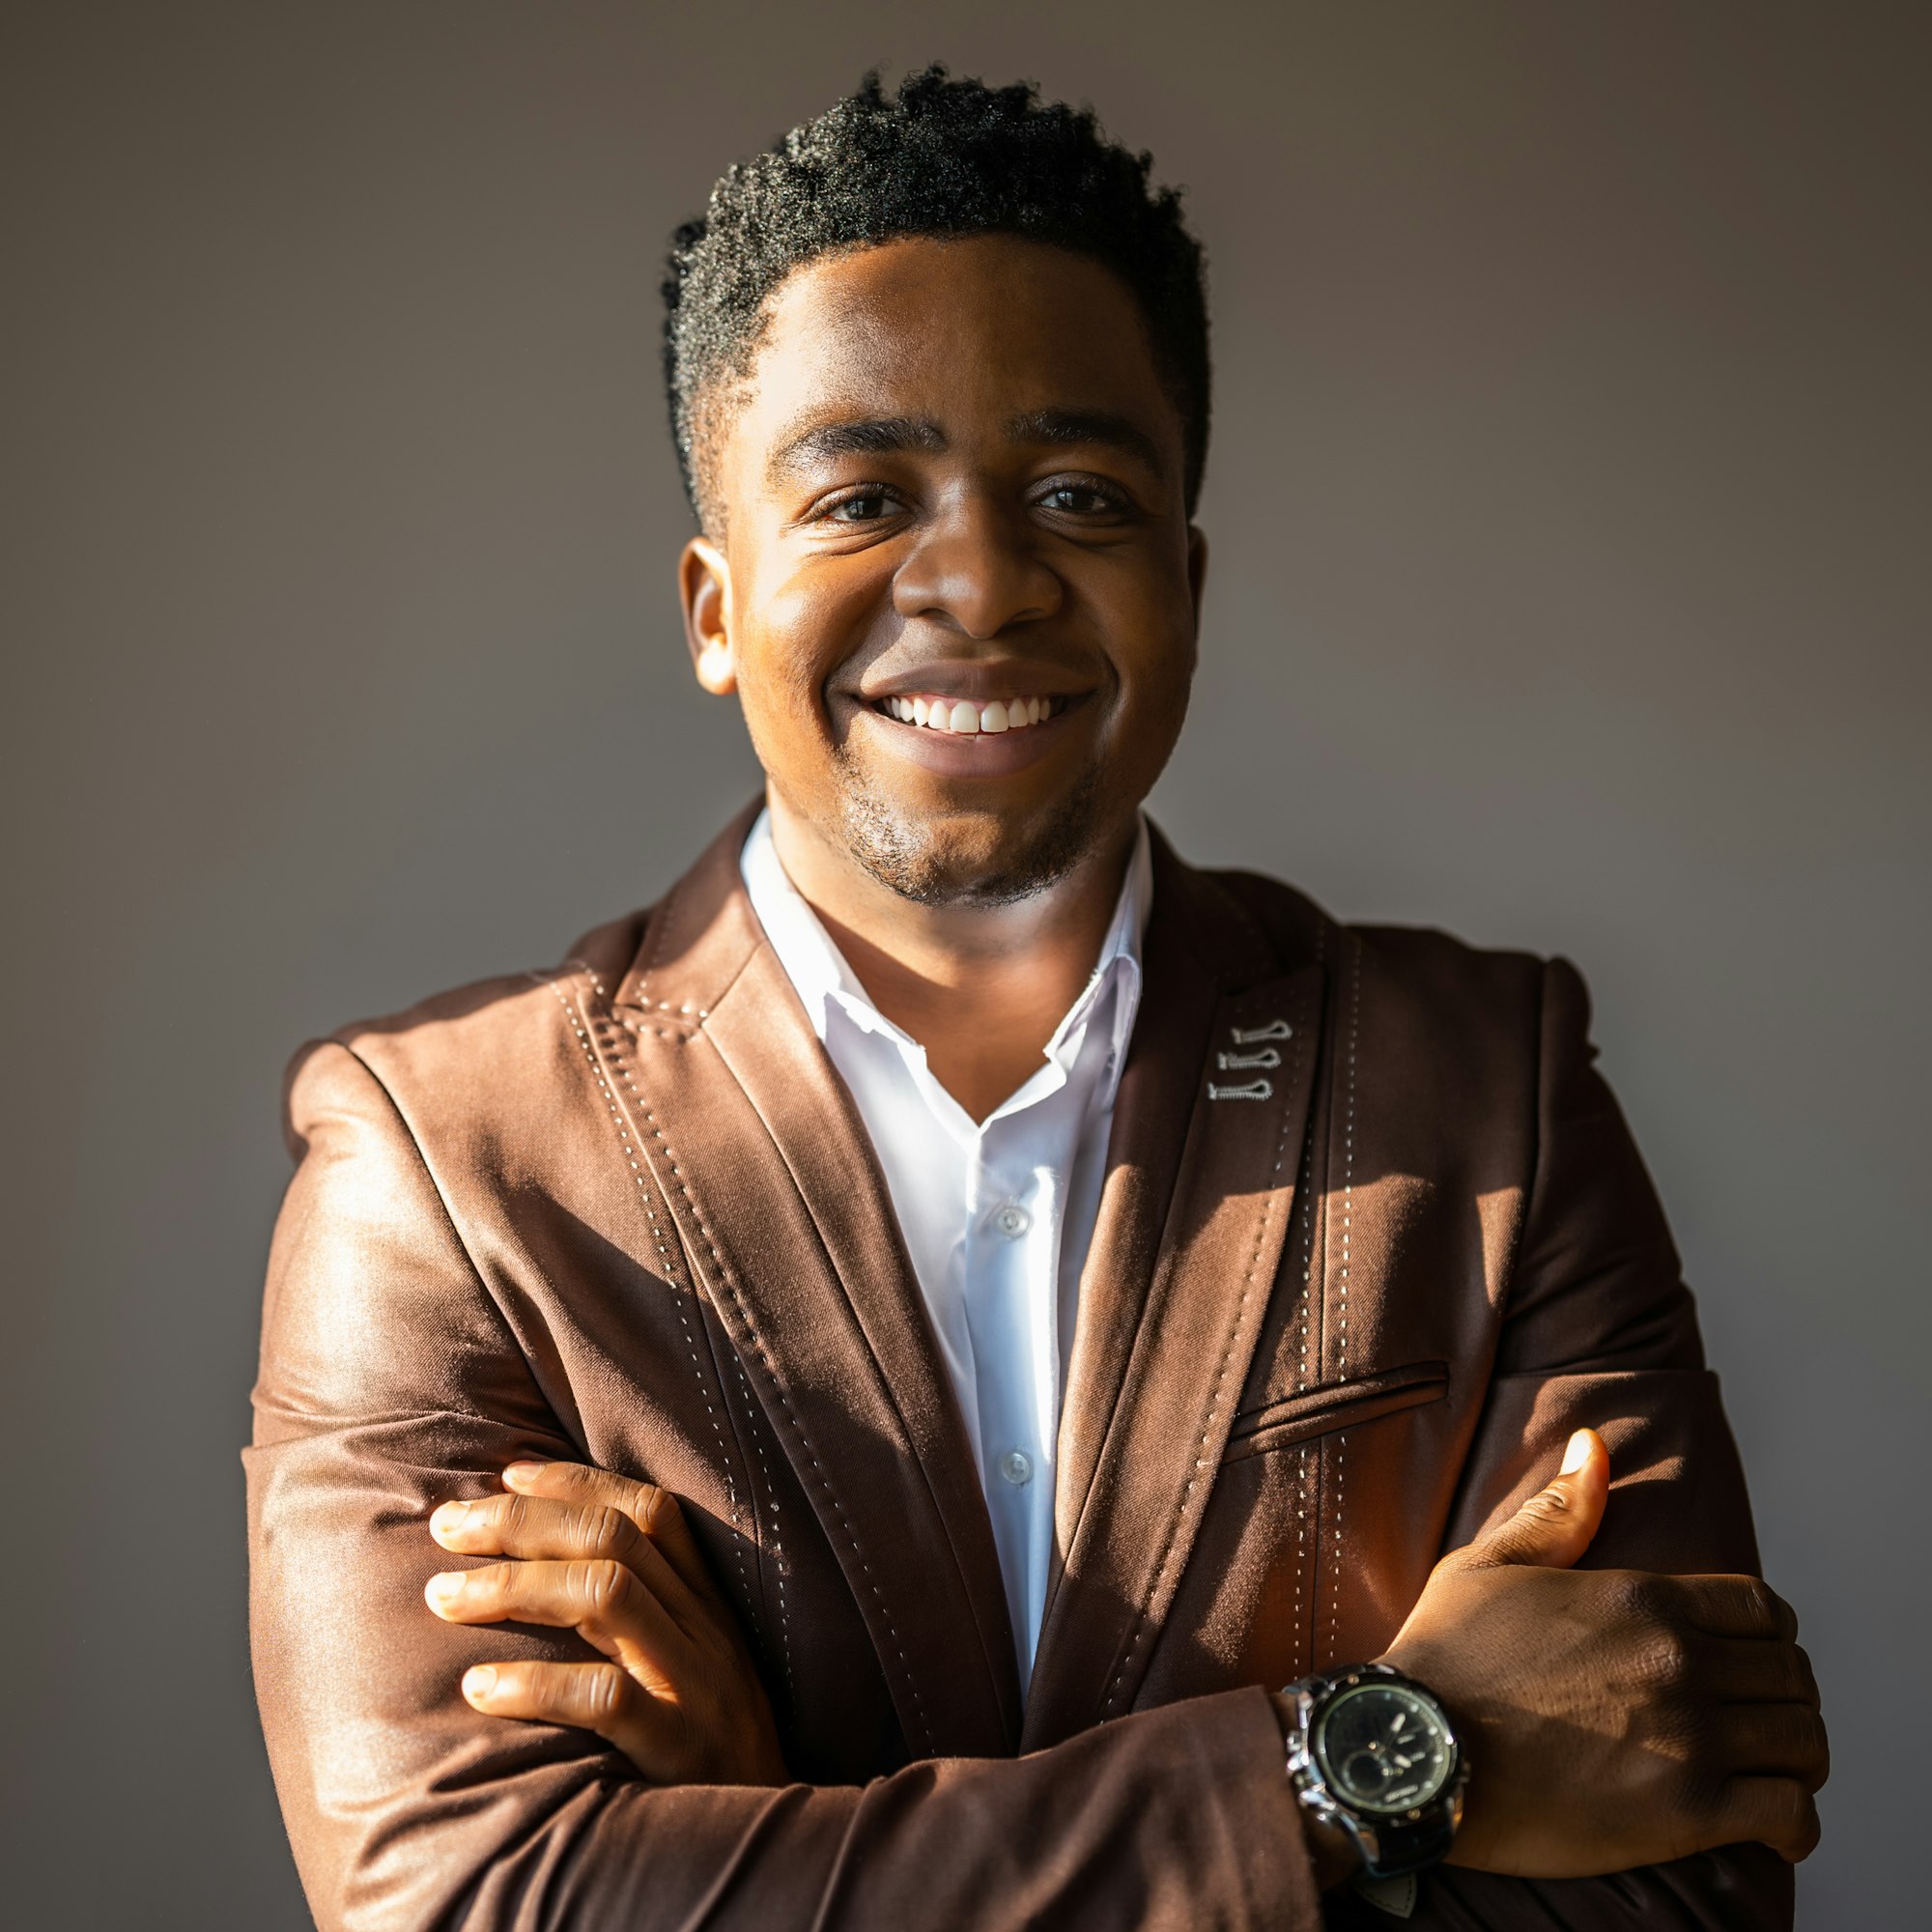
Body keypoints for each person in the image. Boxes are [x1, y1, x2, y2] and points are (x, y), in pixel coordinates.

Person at [245, 68, 1827, 1929]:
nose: (983, 583)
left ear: (1186, 582)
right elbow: (470, 1904)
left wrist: (775, 1831)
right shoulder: (443, 1167)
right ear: (714, 608)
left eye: (1078, 495)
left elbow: (1682, 1875)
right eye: (862, 497)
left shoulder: (1492, 1089)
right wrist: (1380, 1760)